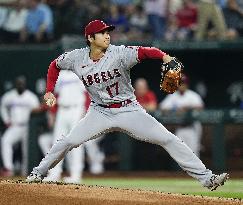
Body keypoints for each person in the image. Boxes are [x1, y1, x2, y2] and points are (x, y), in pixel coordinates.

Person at [27, 19, 228, 191]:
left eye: (108, 32)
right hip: (99, 112)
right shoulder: (76, 57)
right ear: (90, 38)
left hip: (129, 110)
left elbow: (146, 52)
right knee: (67, 141)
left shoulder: (119, 53)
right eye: (102, 33)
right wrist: (49, 90)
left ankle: (207, 178)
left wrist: (166, 57)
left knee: (168, 139)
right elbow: (55, 65)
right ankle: (37, 173)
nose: (107, 36)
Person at [38, 70, 104, 183]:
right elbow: (56, 94)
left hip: (76, 109)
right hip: (62, 109)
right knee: (57, 142)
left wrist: (87, 112)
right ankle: (54, 173)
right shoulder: (60, 75)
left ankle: (76, 174)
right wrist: (53, 113)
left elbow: (87, 94)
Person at [0, 76, 39, 176]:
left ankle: (26, 171)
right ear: (15, 84)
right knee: (5, 141)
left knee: (26, 150)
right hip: (15, 126)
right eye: (18, 83)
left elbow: (38, 111)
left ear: (25, 84)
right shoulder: (9, 96)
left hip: (28, 127)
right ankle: (8, 168)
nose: (20, 85)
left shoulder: (31, 97)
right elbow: (3, 106)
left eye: (22, 83)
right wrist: (6, 119)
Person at [159, 74, 204, 157]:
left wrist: (187, 108)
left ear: (187, 84)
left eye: (183, 83)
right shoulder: (172, 96)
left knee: (194, 153)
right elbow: (162, 108)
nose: (181, 85)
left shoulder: (193, 95)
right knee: (180, 153)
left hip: (192, 128)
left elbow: (200, 107)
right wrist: (175, 110)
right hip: (179, 128)